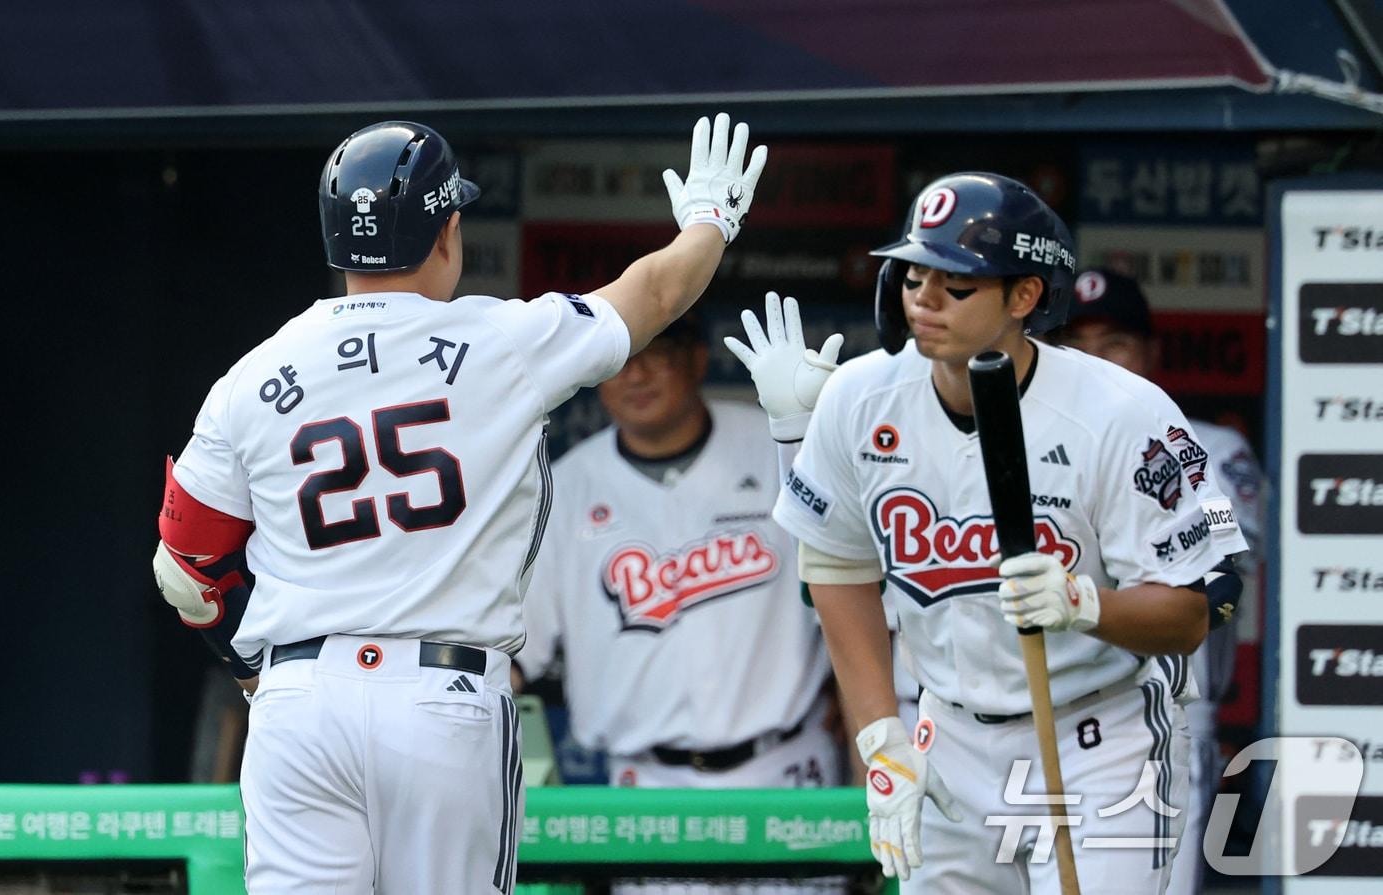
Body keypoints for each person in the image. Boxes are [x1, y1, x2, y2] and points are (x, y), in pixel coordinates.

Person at [151, 114, 767, 894]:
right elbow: (658, 288)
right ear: (446, 232)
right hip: (440, 697)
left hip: (299, 700)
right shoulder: (505, 341)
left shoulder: (252, 375)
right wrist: (709, 221)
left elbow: (185, 566)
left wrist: (252, 672)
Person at [760, 172, 1250, 893]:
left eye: (955, 286)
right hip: (947, 732)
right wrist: (879, 735)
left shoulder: (1120, 413)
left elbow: (1206, 604)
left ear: (1024, 296)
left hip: (1096, 734)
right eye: (913, 276)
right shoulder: (859, 398)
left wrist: (1086, 604)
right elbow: (835, 566)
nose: (924, 300)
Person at [514, 296, 845, 894]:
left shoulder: (778, 449)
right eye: (619, 363)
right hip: (647, 793)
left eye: (657, 355)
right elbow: (515, 653)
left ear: (697, 360)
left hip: (788, 773)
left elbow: (853, 593)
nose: (636, 375)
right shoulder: (563, 490)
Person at [1054, 269, 1264, 895]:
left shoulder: (1208, 449)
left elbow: (1225, 569)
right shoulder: (1025, 446)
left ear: (1151, 352)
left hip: (1163, 710)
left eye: (1114, 342)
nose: (1094, 359)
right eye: (1076, 341)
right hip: (1037, 713)